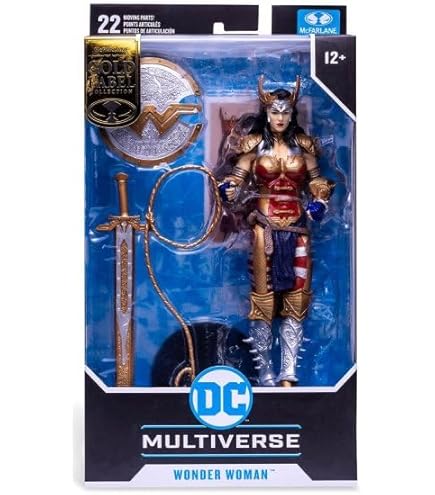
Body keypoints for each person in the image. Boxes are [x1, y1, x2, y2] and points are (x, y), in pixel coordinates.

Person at [218, 75, 334, 386]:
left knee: (297, 298)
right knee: (263, 301)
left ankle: (289, 371)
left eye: (285, 112)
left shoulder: (304, 146)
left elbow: (316, 181)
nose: (280, 117)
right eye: (275, 112)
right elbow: (237, 177)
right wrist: (229, 189)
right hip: (264, 230)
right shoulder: (253, 145)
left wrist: (320, 200)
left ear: (292, 114)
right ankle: (266, 371)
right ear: (266, 113)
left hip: (297, 227)